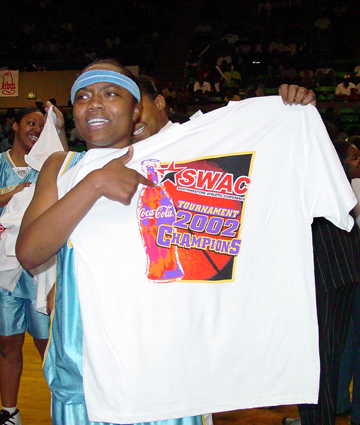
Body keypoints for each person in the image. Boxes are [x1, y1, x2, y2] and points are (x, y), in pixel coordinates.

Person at [16, 59, 317, 425]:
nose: (94, 103)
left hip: (168, 372)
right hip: (84, 369)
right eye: (83, 96)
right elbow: (30, 253)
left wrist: (288, 110)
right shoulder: (61, 166)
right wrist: (93, 184)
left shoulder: (181, 158)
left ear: (136, 109)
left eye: (110, 93)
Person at [283, 140, 360, 425]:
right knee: (322, 365)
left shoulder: (312, 168)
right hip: (333, 271)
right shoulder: (322, 168)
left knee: (318, 367)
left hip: (325, 274)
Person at [0, 105, 66, 425]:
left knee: (48, 347)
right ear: (15, 125)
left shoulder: (48, 164)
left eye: (42, 126)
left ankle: (63, 410)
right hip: (3, 271)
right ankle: (10, 413)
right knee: (8, 345)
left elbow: (70, 180)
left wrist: (61, 128)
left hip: (41, 269)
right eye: (30, 123)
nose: (36, 130)